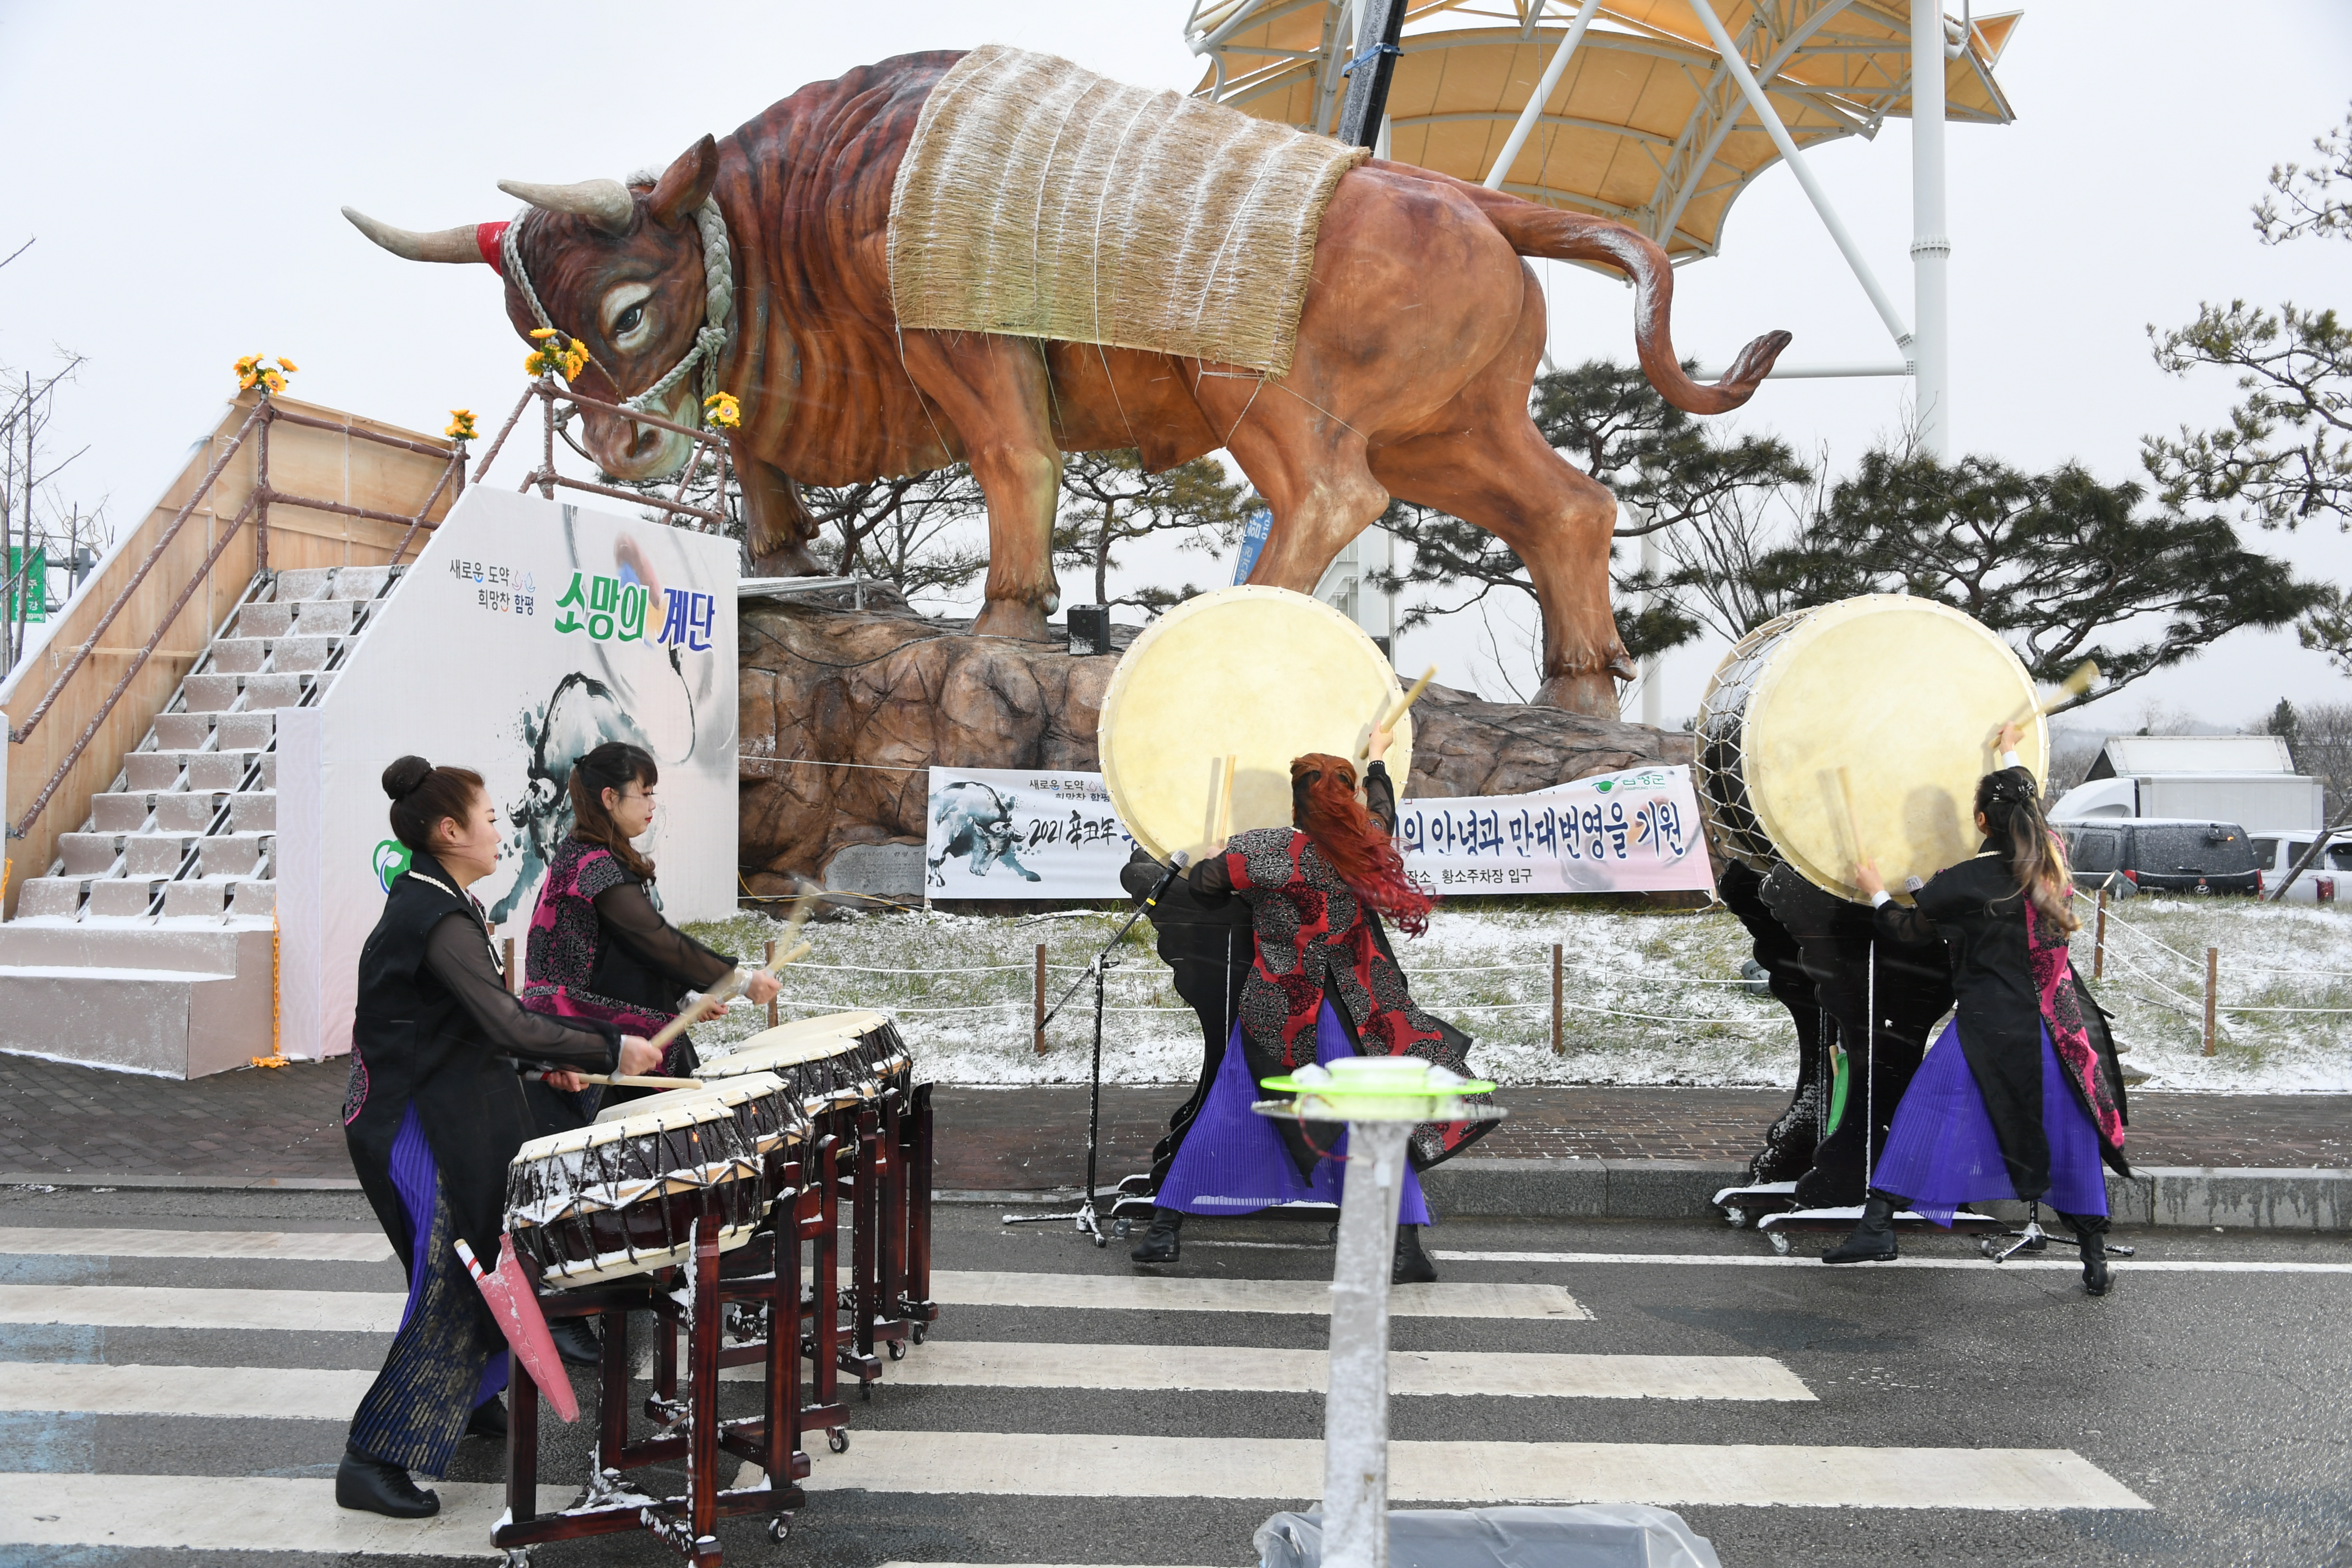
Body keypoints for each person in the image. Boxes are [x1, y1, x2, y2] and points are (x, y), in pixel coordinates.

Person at [339, 757, 662, 1519]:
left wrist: (540, 1065)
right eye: (487, 818)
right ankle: (372, 1458)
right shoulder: (434, 913)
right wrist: (608, 1049)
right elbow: (505, 1019)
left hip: (452, 1104)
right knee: (452, 1273)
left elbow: (472, 1028)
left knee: (492, 1250)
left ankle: (467, 1397)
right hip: (409, 1123)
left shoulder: (443, 897)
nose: (499, 829)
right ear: (450, 832)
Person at [1130, 729, 1494, 1281]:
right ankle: (1405, 1251)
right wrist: (1377, 762)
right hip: (1355, 1014)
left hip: (1279, 1011)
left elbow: (1204, 888)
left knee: (1229, 1112)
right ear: (1344, 803)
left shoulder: (1262, 851)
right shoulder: (1363, 848)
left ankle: (1164, 1233)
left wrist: (1212, 856)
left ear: (1296, 804)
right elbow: (1382, 816)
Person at [1825, 723, 2132, 1294]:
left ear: (1982, 823)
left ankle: (1878, 1228)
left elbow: (1906, 930)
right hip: (2057, 1028)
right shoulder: (2053, 862)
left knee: (1928, 1112)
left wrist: (1875, 889)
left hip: (1989, 1027)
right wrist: (2008, 752)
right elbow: (2026, 802)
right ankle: (2094, 1257)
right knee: (2068, 1137)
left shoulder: (1964, 883)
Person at [520, 740, 779, 1104]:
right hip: (584, 1043)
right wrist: (741, 980)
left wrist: (684, 996)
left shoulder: (582, 854)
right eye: (644, 793)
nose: (653, 804)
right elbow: (656, 940)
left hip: (580, 1031)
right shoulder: (593, 865)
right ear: (610, 798)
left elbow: (619, 952)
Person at [1119, 844, 1255, 1198]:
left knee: (1255, 1069)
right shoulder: (1291, 850)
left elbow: (1207, 881)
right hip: (1296, 978)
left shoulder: (1285, 851)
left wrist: (1219, 859)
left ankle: (1183, 1194)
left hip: (1296, 986)